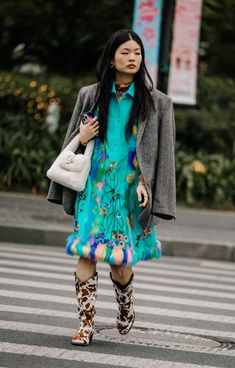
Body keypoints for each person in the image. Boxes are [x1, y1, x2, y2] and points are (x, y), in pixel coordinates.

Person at [47, 29, 176, 346]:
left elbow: (163, 154)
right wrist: (84, 136)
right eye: (126, 53)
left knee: (120, 262)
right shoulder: (89, 95)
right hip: (95, 186)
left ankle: (125, 303)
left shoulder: (158, 102)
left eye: (137, 53)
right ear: (111, 58)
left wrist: (151, 185)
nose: (133, 58)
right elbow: (72, 142)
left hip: (132, 190)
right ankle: (85, 325)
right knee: (86, 252)